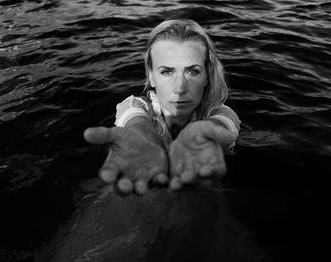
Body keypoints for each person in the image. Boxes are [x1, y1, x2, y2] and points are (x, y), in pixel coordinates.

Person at [84, 19, 240, 196]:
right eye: (166, 72)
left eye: (193, 71)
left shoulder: (219, 113)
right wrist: (143, 134)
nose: (180, 88)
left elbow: (226, 122)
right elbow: (134, 118)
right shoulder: (140, 107)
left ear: (206, 76)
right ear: (151, 76)